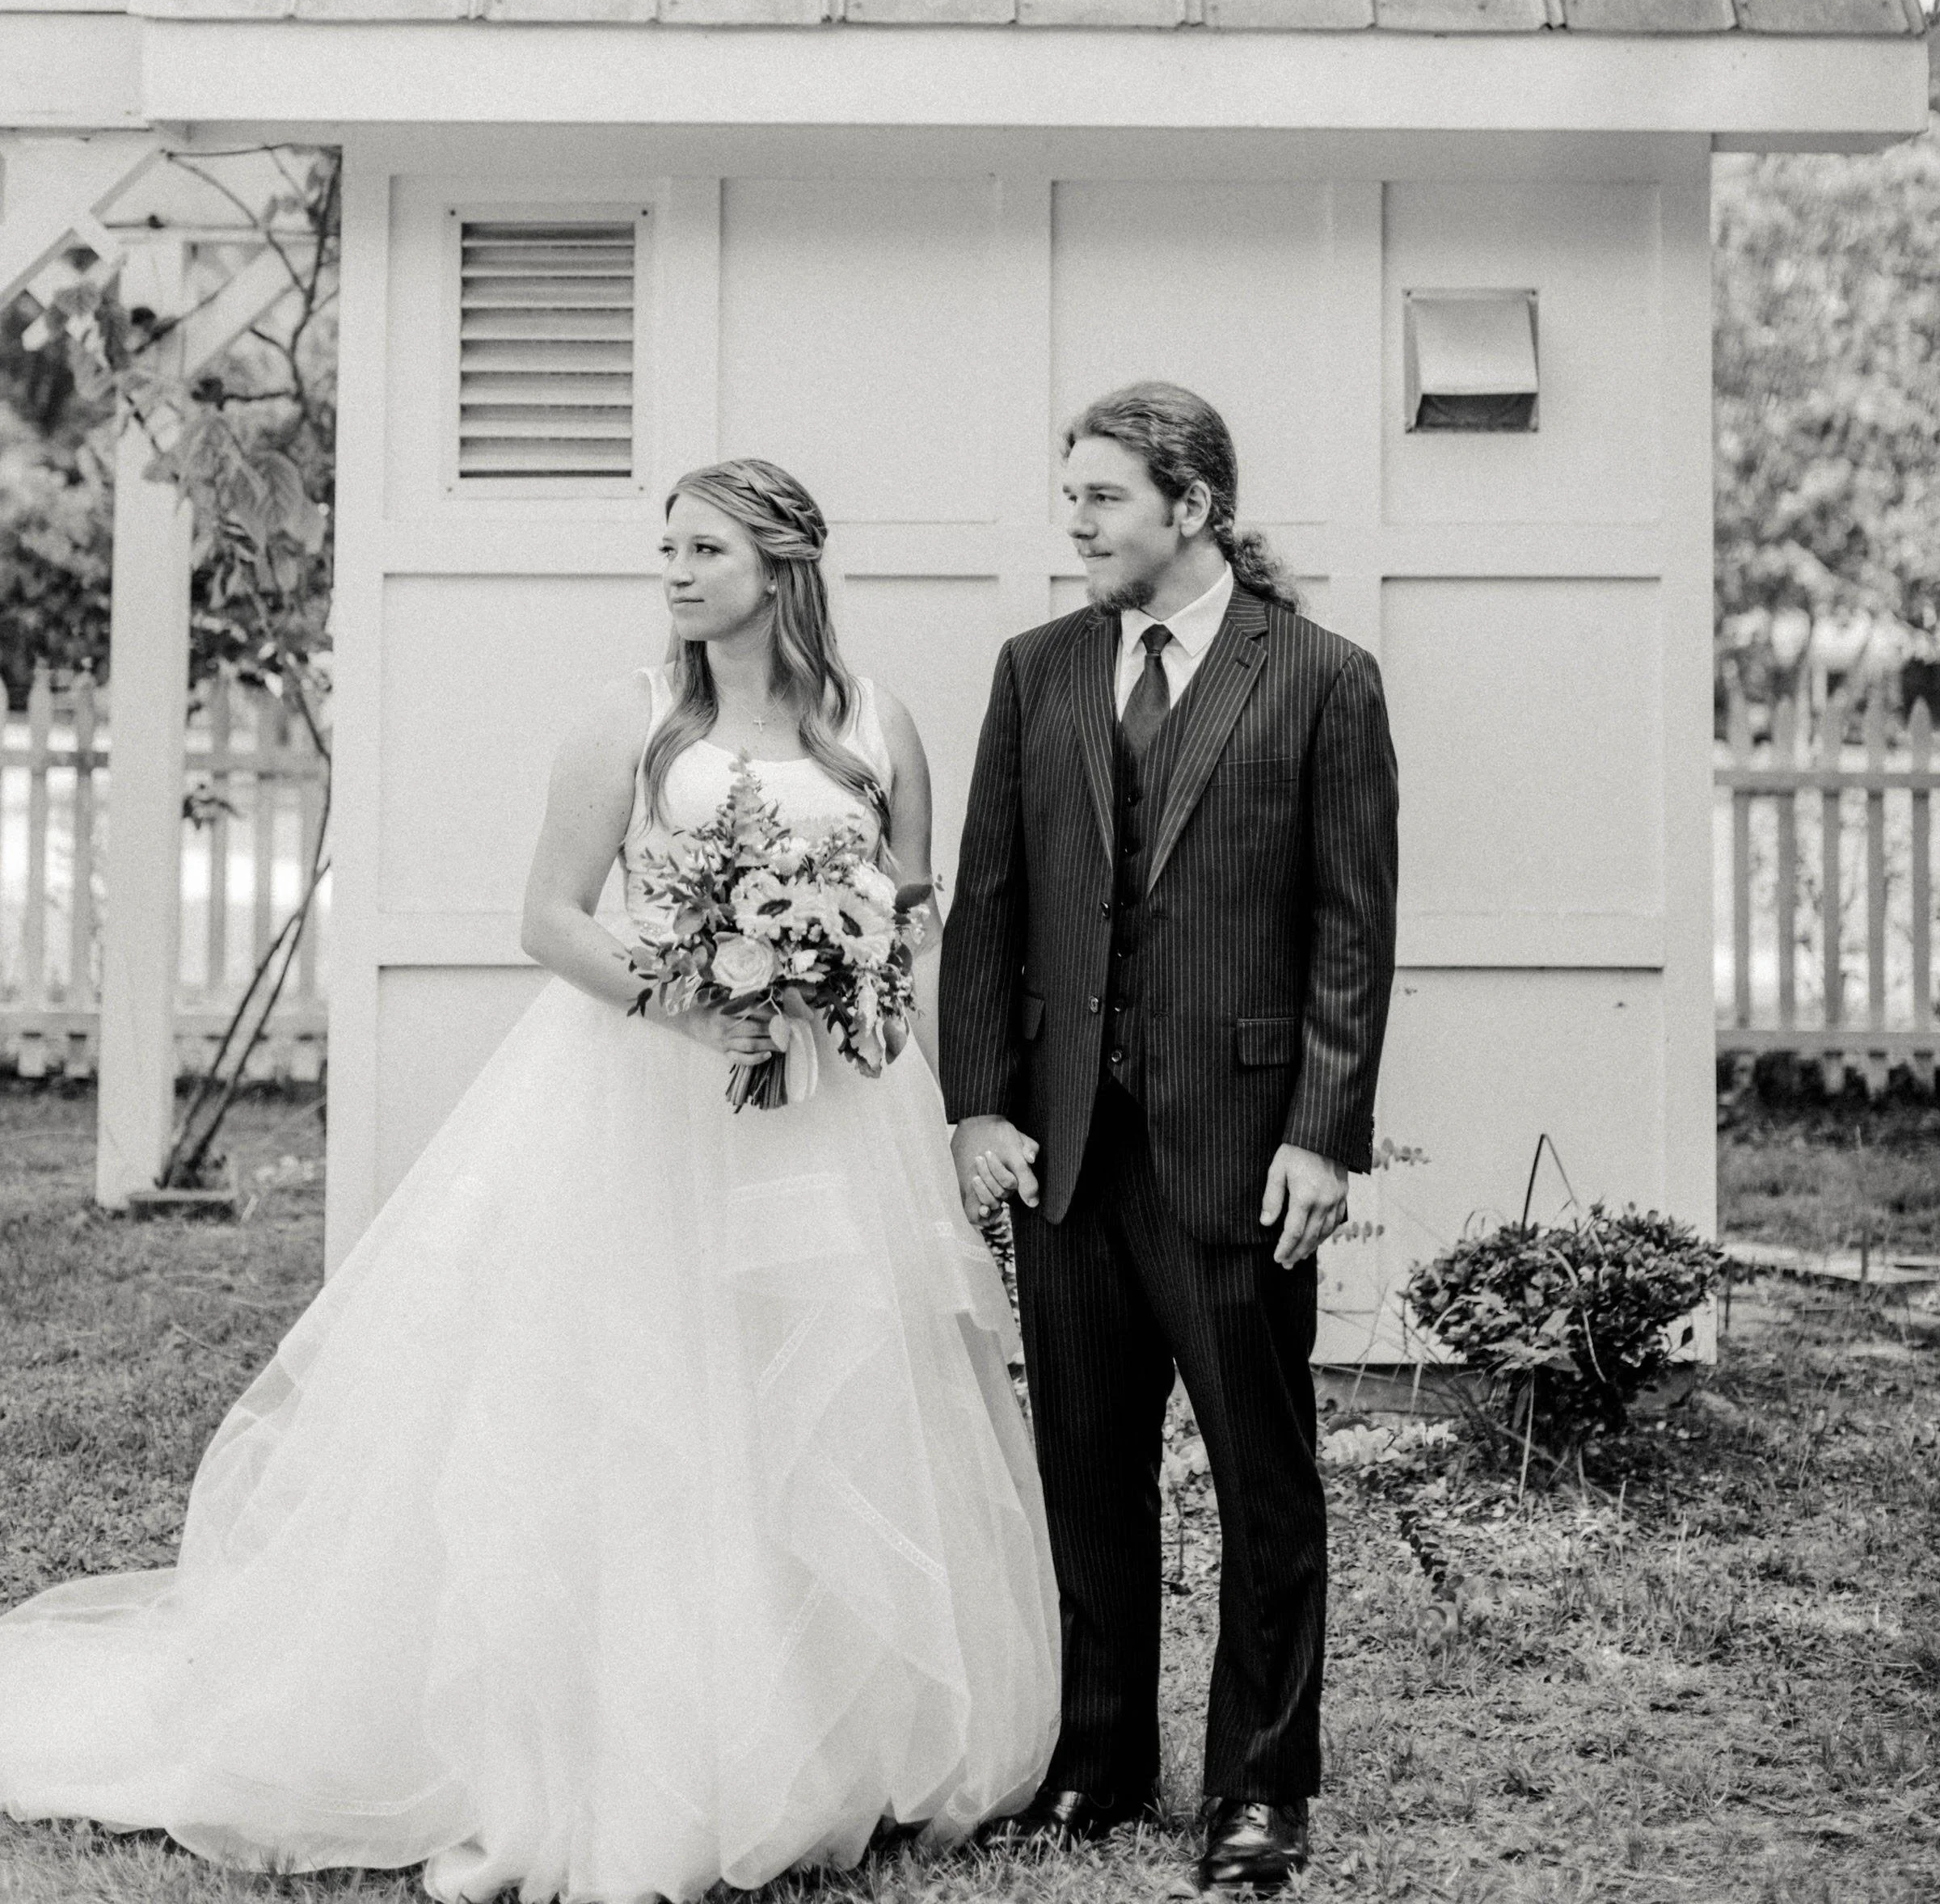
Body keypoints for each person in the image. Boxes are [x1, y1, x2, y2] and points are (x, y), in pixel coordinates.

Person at [0, 457, 1058, 1902]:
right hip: (651, 1100)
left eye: (705, 548)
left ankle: (827, 1737)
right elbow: (549, 919)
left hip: (836, 1110)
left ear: (784, 563)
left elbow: (910, 910)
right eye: (668, 548)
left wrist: (844, 975)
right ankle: (649, 1745)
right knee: (660, 1398)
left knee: (822, 1393)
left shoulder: (880, 726)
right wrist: (691, 1003)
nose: (676, 572)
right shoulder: (633, 719)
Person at [940, 382, 1398, 1896]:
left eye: (1102, 498)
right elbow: (988, 904)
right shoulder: (1039, 671)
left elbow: (1351, 929)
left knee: (1263, 1476)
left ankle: (1261, 1786)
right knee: (1086, 1466)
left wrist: (1325, 1135)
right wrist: (979, 1104)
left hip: (1242, 1151)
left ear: (1191, 506)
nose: (1074, 523)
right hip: (1067, 1149)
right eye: (1069, 494)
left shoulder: (1322, 680)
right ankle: (1099, 1759)